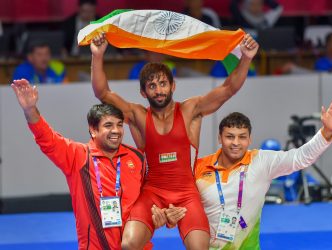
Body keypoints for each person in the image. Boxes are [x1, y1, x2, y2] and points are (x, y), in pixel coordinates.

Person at [90, 32, 259, 249]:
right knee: (128, 245)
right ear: (143, 92)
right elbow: (102, 92)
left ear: (173, 86)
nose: (159, 90)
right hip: (152, 194)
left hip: (187, 195)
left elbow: (229, 89)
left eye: (163, 84)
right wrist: (97, 55)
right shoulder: (138, 116)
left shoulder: (190, 110)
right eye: (152, 86)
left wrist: (246, 58)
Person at [194, 99, 332, 249]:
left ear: (249, 139)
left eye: (242, 137)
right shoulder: (199, 167)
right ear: (219, 138)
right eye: (230, 136)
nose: (236, 143)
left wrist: (327, 131)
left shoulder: (261, 161)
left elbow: (300, 157)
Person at [11, 78, 146, 249]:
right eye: (108, 125)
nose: (116, 131)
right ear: (93, 130)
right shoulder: (77, 155)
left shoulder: (136, 157)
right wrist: (30, 110)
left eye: (120, 125)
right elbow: (47, 139)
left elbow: (150, 195)